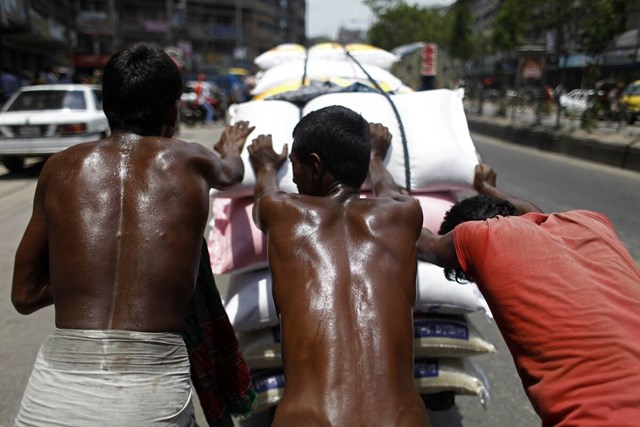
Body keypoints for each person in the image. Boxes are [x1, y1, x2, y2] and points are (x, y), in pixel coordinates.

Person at [11, 42, 256, 425]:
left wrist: (90, 277)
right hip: (150, 399)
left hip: (51, 400)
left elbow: (24, 295)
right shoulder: (192, 159)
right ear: (174, 109)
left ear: (106, 104)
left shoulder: (59, 168)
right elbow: (232, 173)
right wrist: (232, 147)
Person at [417, 162, 640, 426]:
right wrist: (486, 188)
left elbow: (425, 244)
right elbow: (535, 215)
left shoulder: (480, 238)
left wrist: (377, 169)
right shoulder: (591, 222)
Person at [247, 107, 430, 426]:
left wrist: (264, 167)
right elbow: (388, 190)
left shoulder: (279, 210)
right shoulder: (405, 214)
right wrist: (375, 158)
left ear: (315, 165)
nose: (293, 176)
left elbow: (264, 193)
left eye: (295, 166)